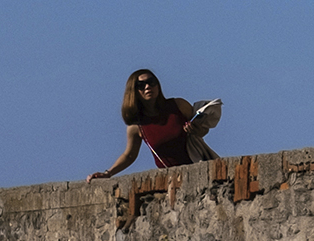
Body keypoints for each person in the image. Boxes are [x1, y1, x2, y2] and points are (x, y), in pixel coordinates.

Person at [87, 69, 221, 180]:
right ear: (134, 92)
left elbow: (202, 131)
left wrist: (195, 129)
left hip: (200, 169)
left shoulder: (178, 105)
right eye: (141, 85)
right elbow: (129, 155)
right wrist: (108, 173)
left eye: (151, 82)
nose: (147, 87)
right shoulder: (137, 127)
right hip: (172, 180)